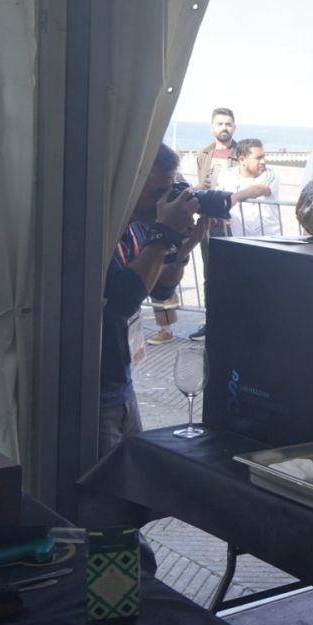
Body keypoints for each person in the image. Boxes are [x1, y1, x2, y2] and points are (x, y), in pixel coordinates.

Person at [101, 144, 205, 455]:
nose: (164, 200)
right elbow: (123, 299)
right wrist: (163, 233)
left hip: (120, 386)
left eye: (169, 189)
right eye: (158, 190)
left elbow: (160, 290)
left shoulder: (132, 228)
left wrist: (182, 248)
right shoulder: (99, 232)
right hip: (92, 395)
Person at [189, 107, 238, 341]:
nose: (224, 128)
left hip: (234, 222)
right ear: (212, 127)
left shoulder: (242, 152)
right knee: (210, 274)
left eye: (228, 124)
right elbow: (201, 186)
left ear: (234, 127)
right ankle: (211, 321)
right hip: (209, 222)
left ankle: (233, 322)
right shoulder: (204, 154)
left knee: (235, 272)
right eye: (220, 123)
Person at [217, 138, 280, 236]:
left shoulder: (271, 173)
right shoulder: (226, 175)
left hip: (270, 240)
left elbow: (259, 189)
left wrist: (235, 197)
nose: (263, 161)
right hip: (240, 239)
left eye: (263, 157)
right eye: (258, 158)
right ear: (242, 160)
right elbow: (218, 198)